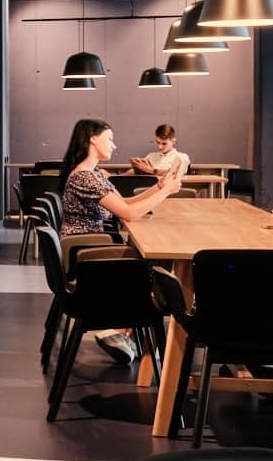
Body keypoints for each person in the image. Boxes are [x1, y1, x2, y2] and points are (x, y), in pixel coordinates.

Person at [61, 117, 182, 362]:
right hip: (89, 260)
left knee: (152, 264)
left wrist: (158, 188)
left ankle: (128, 332)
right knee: (155, 267)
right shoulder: (85, 177)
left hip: (90, 251)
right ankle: (127, 329)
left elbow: (124, 203)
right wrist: (166, 191)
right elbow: (128, 214)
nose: (114, 146)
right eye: (110, 139)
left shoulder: (93, 174)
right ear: (93, 139)